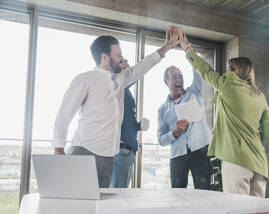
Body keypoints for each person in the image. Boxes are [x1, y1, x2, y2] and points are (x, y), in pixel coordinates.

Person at [53, 27, 180, 187]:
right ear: (105, 57)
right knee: (77, 206)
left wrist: (166, 46)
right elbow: (64, 114)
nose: (121, 59)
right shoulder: (86, 79)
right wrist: (58, 148)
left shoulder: (120, 80)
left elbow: (143, 66)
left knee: (100, 209)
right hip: (84, 152)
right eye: (118, 55)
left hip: (108, 157)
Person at [179, 29, 269, 197]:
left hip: (236, 161)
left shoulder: (228, 84)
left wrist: (187, 49)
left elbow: (205, 71)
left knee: (238, 212)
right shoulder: (260, 96)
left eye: (227, 70)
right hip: (260, 163)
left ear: (235, 71)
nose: (224, 73)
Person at [157, 65, 211, 189]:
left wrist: (188, 51)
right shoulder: (162, 109)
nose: (179, 79)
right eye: (174, 77)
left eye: (180, 76)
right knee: (177, 192)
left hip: (201, 150)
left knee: (204, 192)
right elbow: (161, 139)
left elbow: (198, 72)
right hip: (178, 155)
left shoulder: (195, 92)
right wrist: (175, 132)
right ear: (166, 82)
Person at [110, 59, 149, 188]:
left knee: (117, 193)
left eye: (127, 62)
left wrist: (138, 126)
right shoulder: (118, 86)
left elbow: (123, 120)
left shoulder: (125, 91)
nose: (127, 65)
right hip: (121, 151)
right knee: (118, 195)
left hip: (125, 150)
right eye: (122, 62)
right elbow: (135, 74)